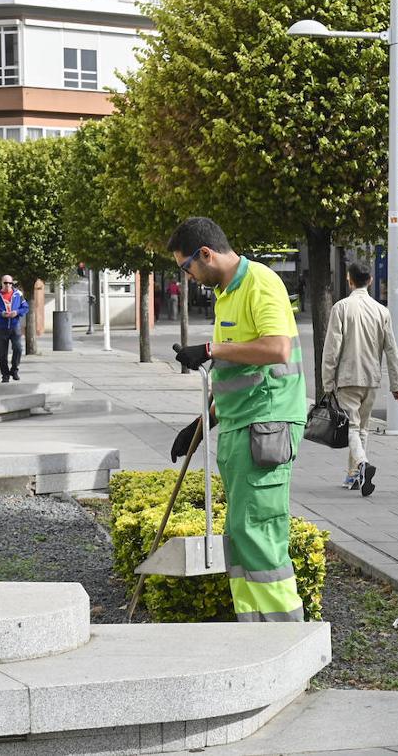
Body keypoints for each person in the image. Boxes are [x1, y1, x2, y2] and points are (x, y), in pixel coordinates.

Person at [168, 217, 307, 624]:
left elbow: (277, 349)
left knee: (259, 531)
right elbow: (238, 374)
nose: (188, 276)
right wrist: (201, 422)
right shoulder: (227, 294)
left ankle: (284, 634)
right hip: (240, 425)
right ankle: (254, 631)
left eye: (186, 267)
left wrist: (211, 349)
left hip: (266, 425)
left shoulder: (260, 283)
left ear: (206, 254)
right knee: (243, 534)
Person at [319, 260, 398, 495]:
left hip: (347, 378)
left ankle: (361, 465)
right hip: (371, 379)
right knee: (362, 428)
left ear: (349, 279)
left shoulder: (341, 308)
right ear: (370, 281)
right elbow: (391, 350)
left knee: (352, 428)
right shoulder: (381, 311)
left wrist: (327, 382)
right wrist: (397, 385)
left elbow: (332, 349)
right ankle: (353, 476)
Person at [0, 275, 28, 382]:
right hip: (1, 327)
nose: (8, 285)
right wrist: (1, 314)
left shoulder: (18, 294)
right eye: (5, 283)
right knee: (2, 353)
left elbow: (25, 307)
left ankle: (14, 370)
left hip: (15, 325)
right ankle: (5, 375)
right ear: (1, 283)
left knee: (18, 348)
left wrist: (16, 312)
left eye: (10, 283)